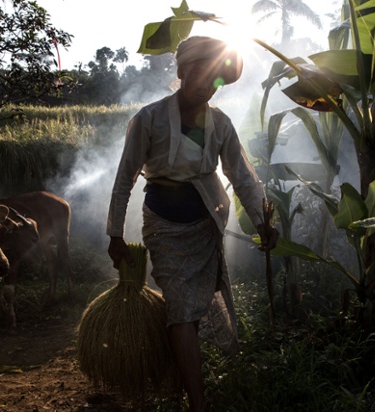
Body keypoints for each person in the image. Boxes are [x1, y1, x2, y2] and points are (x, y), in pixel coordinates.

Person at [106, 36, 278, 412]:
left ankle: (184, 376)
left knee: (190, 309)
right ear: (183, 72)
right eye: (201, 74)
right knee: (183, 307)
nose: (207, 86)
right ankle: (197, 403)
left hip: (205, 224)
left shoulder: (221, 124)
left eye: (217, 79)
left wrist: (263, 220)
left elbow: (243, 177)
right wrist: (115, 234)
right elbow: (125, 178)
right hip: (163, 227)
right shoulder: (149, 119)